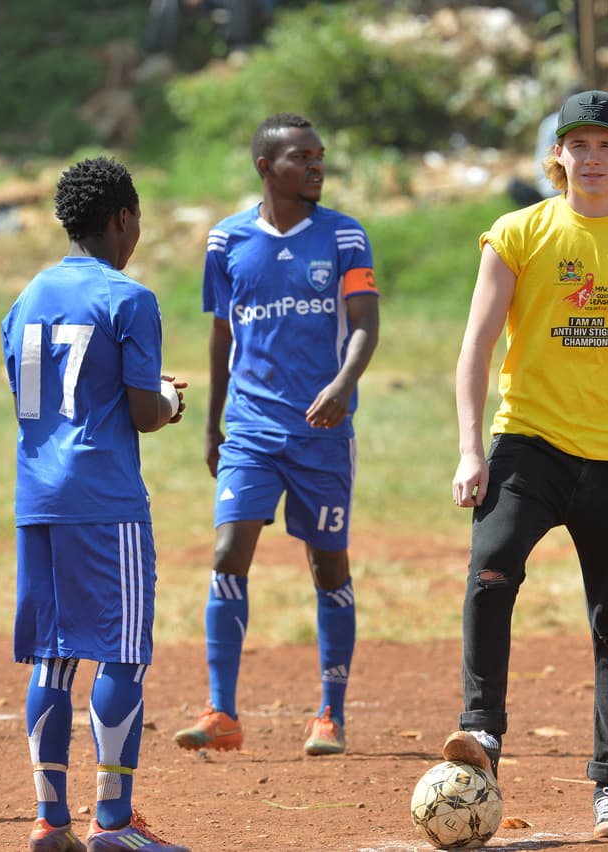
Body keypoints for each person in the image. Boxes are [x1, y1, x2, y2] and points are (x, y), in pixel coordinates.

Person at [444, 89, 608, 839]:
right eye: (576, 145)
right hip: (530, 443)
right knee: (491, 571)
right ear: (556, 156)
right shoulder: (517, 233)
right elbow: (477, 347)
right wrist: (468, 447)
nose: (591, 158)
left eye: (605, 145)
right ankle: (482, 731)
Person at [173, 112, 380, 758]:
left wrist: (344, 384)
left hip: (321, 432)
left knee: (327, 567)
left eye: (319, 156)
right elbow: (220, 334)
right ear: (266, 167)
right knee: (229, 552)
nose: (316, 166)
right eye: (301, 157)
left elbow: (366, 324)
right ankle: (221, 712)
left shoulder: (345, 236)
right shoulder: (226, 242)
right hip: (251, 429)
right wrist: (212, 424)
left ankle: (330, 714)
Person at [1, 156, 192, 852]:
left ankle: (49, 819)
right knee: (123, 652)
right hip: (105, 499)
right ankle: (112, 821)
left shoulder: (25, 298)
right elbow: (142, 411)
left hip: (37, 494)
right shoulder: (129, 298)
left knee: (54, 657)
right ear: (121, 218)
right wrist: (170, 400)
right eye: (136, 219)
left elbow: (40, 396)